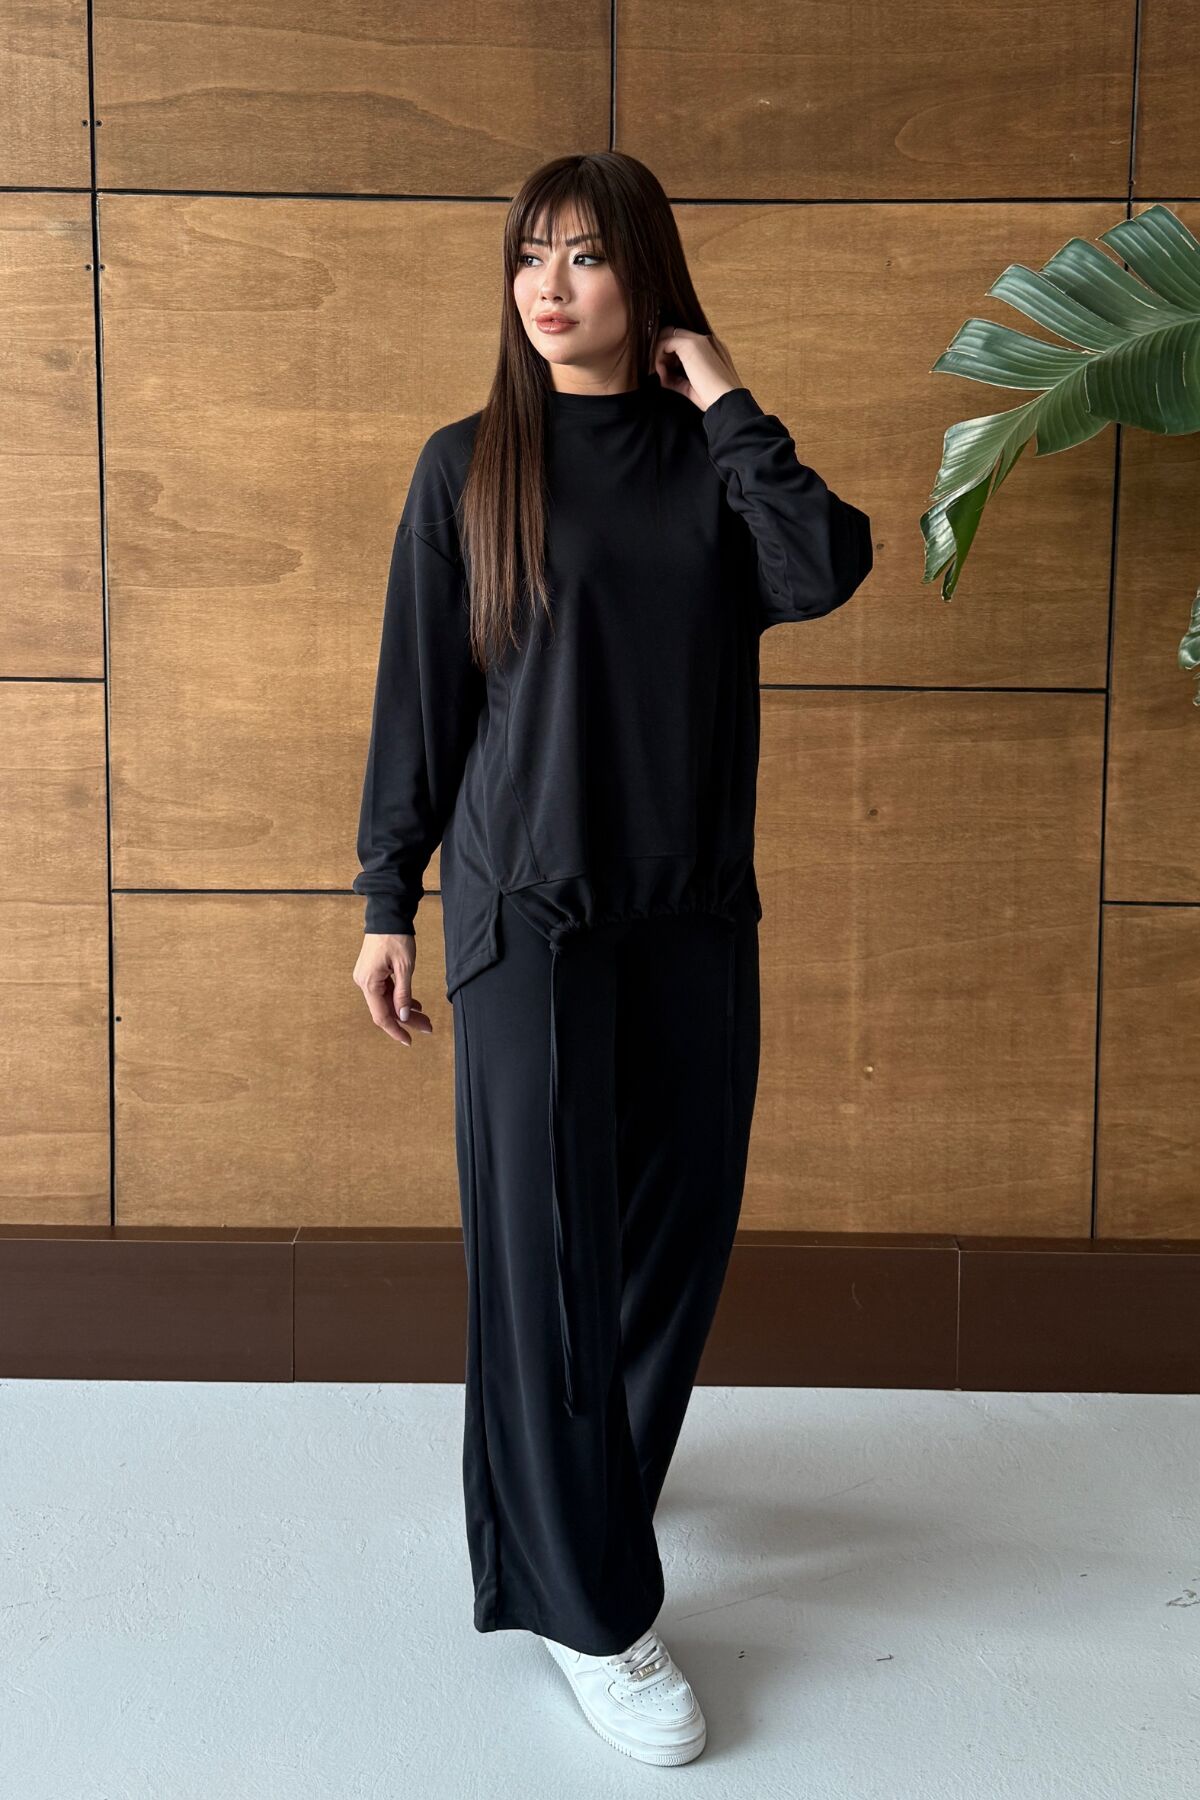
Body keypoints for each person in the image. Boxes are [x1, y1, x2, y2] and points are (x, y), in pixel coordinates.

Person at [350, 151, 873, 1767]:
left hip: (694, 915)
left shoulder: (714, 463)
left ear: (646, 275)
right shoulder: (469, 470)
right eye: (530, 255)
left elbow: (823, 567)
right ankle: (589, 1607)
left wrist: (724, 394)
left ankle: (583, 1487)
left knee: (674, 1238)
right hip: (532, 920)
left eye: (584, 255)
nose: (550, 284)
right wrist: (386, 898)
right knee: (550, 1259)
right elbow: (422, 702)